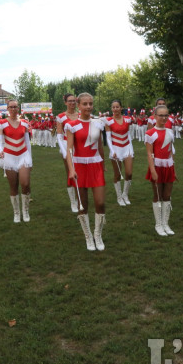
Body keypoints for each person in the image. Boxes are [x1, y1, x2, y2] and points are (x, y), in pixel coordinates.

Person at [65, 93, 106, 251]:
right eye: (85, 104)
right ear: (78, 105)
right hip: (79, 166)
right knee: (83, 205)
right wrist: (71, 169)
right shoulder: (72, 125)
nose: (88, 106)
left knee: (100, 203)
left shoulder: (98, 123)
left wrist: (103, 165)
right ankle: (88, 236)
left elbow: (100, 147)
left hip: (95, 165)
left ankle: (98, 235)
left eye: (91, 103)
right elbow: (69, 150)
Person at [0, 100, 33, 223]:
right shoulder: (2, 123)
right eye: (10, 107)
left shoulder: (25, 123)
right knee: (13, 186)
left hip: (23, 155)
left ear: (18, 108)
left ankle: (26, 211)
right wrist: (0, 151)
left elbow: (28, 142)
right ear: (7, 109)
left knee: (25, 184)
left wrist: (30, 159)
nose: (13, 109)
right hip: (9, 156)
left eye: (15, 107)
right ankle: (17, 213)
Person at [145, 104, 176, 236]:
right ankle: (158, 224)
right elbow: (149, 153)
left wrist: (173, 167)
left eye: (166, 115)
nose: (164, 118)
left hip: (168, 166)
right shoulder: (150, 133)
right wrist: (152, 170)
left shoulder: (170, 131)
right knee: (158, 195)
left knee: (167, 195)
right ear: (155, 116)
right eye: (161, 115)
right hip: (157, 166)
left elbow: (171, 150)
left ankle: (165, 223)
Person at [104, 99, 134, 206]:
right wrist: (112, 151)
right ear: (111, 109)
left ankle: (125, 194)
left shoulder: (127, 119)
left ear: (121, 108)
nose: (115, 109)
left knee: (129, 173)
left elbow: (128, 134)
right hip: (115, 148)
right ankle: (119, 196)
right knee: (117, 174)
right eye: (113, 107)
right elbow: (108, 138)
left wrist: (130, 148)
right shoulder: (108, 121)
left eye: (117, 107)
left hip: (127, 147)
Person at [57, 94, 80, 212]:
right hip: (67, 146)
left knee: (80, 174)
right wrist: (64, 151)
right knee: (70, 174)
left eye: (74, 101)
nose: (72, 103)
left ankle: (80, 198)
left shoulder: (81, 115)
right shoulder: (61, 117)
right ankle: (73, 202)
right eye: (70, 101)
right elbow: (59, 136)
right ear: (65, 102)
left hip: (81, 147)